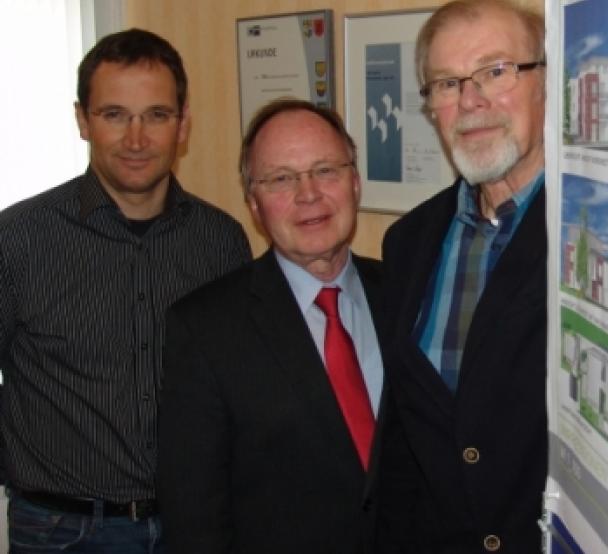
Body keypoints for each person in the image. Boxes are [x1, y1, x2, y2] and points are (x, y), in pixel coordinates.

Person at [0, 29, 251, 552]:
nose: (136, 139)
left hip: (194, 525)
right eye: (114, 114)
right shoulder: (19, 239)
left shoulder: (221, 241)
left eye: (156, 115)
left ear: (182, 124)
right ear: (82, 120)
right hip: (61, 531)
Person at [156, 99, 385, 554]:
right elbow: (194, 518)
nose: (308, 195)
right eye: (281, 179)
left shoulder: (406, 293)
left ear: (355, 183)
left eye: (325, 170)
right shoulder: (204, 328)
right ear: (255, 206)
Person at [375, 1, 547, 551]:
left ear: (546, 80)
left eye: (495, 71)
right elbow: (406, 436)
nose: (470, 101)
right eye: (447, 84)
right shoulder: (408, 243)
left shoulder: (592, 238)